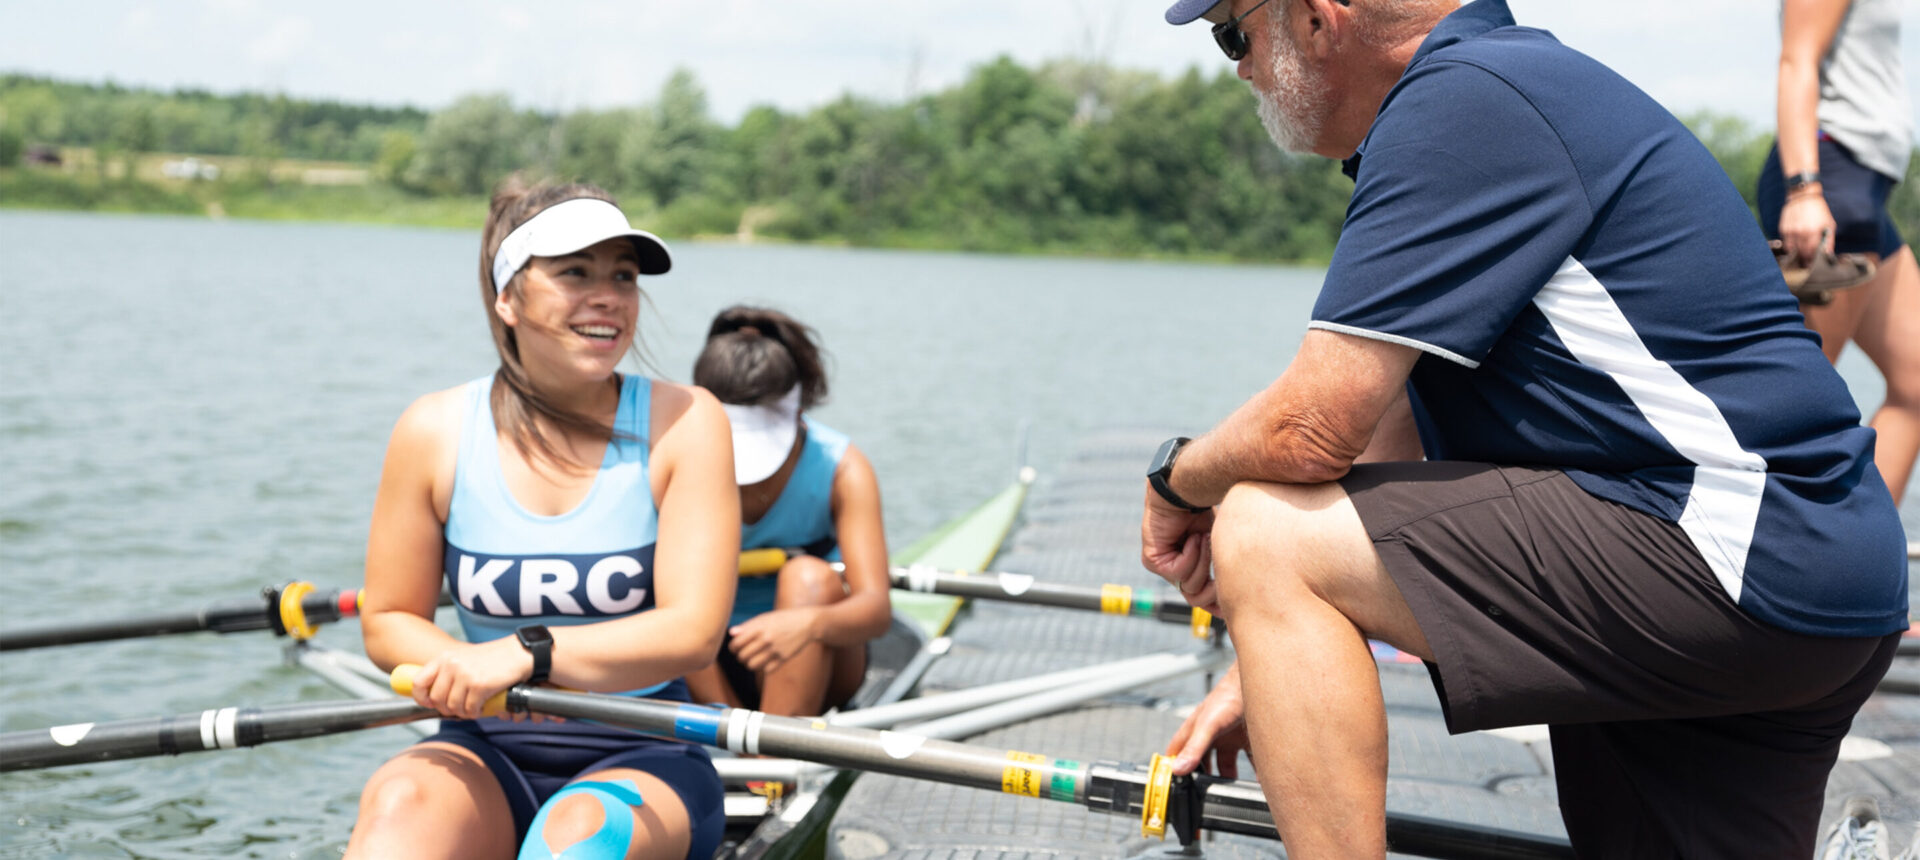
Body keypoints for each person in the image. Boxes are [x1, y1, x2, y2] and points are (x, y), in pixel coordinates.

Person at [1145, 1, 1909, 856]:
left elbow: (1312, 429)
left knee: (1258, 524)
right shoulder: (1510, 85)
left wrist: (1174, 479)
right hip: (1822, 583)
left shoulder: (1463, 103)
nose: (1238, 68)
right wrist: (1271, 664)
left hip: (1719, 553)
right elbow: (1373, 441)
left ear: (1321, 18)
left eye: (1232, 35)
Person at [345, 177, 738, 860]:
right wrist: (467, 668)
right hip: (485, 746)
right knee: (399, 807)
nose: (609, 296)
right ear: (507, 299)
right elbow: (387, 620)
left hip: (644, 749)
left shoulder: (687, 421)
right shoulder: (433, 430)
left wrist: (530, 653)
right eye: (574, 273)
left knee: (580, 843)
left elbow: (695, 632)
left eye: (624, 275)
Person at [682, 306, 892, 718]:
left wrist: (807, 625)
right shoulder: (675, 456)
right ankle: (744, 746)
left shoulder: (844, 468)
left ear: (798, 408)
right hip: (702, 664)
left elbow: (876, 609)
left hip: (817, 652)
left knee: (808, 577)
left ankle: (768, 760)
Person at [1759, 0, 1917, 506]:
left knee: (1915, 386)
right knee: (1801, 417)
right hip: (1830, 181)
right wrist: (1805, 191)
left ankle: (1868, 554)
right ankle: (1786, 572)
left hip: (1864, 187)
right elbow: (1795, 60)